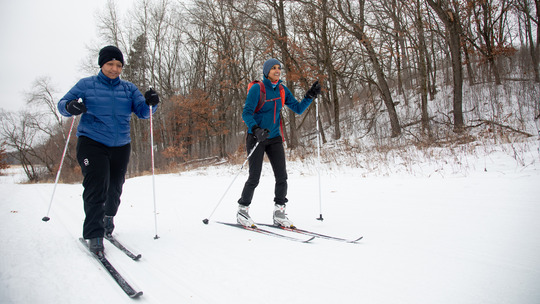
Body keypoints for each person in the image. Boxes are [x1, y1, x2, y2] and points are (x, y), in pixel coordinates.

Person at [57, 45, 160, 255]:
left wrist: (152, 103)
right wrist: (70, 107)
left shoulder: (128, 89)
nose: (114, 69)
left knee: (115, 188)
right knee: (97, 186)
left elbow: (143, 112)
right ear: (101, 64)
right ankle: (94, 234)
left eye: (118, 65)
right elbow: (63, 103)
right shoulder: (86, 85)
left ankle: (107, 219)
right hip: (92, 142)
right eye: (110, 64)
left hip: (120, 145)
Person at [237, 58, 321, 228]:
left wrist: (309, 96)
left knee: (282, 177)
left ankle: (279, 213)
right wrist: (256, 129)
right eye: (273, 68)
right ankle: (242, 211)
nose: (277, 70)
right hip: (257, 137)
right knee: (254, 177)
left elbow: (297, 108)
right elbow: (246, 113)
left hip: (274, 137)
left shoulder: (282, 89)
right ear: (266, 71)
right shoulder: (257, 89)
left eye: (279, 68)